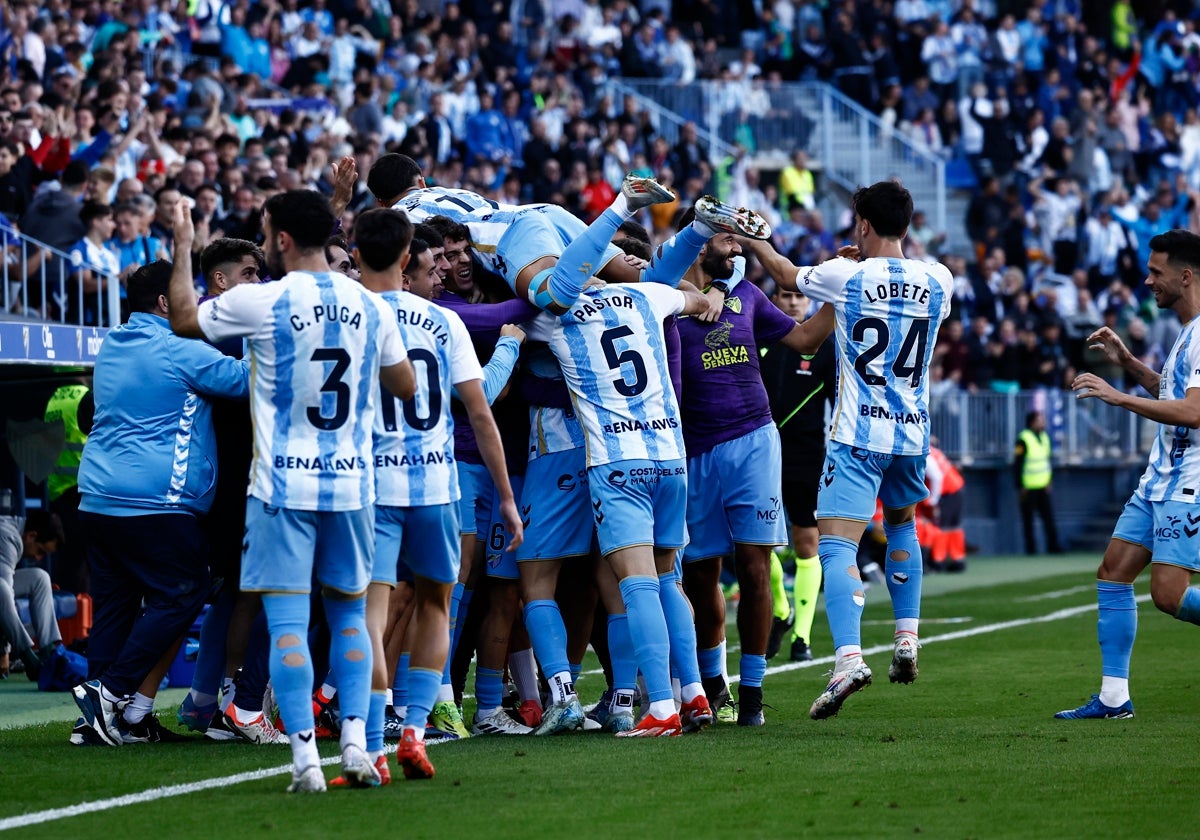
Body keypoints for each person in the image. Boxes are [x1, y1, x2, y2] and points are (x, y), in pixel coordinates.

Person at [165, 191, 416, 792]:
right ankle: (356, 744)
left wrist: (181, 244)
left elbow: (181, 318)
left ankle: (304, 758)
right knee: (352, 616)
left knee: (286, 624)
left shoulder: (261, 300)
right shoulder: (371, 304)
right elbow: (406, 385)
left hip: (281, 485)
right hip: (352, 486)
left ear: (279, 240)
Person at [748, 180, 954, 720]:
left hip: (857, 432)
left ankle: (847, 659)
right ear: (907, 225)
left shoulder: (847, 275)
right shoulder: (940, 278)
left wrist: (756, 242)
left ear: (862, 223)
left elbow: (788, 277)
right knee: (903, 525)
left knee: (837, 542)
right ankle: (907, 637)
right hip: (911, 433)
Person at [347, 209, 522, 779]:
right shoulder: (444, 321)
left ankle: (372, 739)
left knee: (371, 614)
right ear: (407, 260)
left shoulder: (347, 316)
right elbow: (479, 411)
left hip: (369, 486)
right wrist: (505, 496)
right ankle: (416, 731)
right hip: (436, 487)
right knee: (435, 605)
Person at [70, 260, 251, 747]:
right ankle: (108, 691)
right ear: (166, 303)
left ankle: (101, 722)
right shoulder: (179, 350)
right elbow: (244, 379)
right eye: (185, 296)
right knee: (185, 593)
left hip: (96, 500)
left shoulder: (112, 345)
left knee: (115, 606)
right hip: (156, 503)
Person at [675, 221, 834, 726]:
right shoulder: (662, 296)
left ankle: (751, 693)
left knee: (754, 567)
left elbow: (807, 339)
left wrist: (841, 294)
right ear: (699, 243)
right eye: (728, 239)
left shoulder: (745, 293)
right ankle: (713, 681)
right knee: (702, 575)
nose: (737, 247)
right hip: (693, 450)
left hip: (753, 441)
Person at [1058, 229, 1200, 720]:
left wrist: (1118, 397)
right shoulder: (1186, 331)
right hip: (1160, 477)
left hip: (1190, 479)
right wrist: (1127, 362)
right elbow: (1171, 391)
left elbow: (1194, 411)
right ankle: (1115, 697)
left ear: (1185, 276)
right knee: (1113, 572)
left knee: (1169, 595)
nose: (1148, 280)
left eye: (1157, 272)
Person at [365, 153, 768, 317]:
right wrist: (715, 287)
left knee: (553, 297)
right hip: (543, 213)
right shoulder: (446, 190)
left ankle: (622, 205)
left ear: (382, 203)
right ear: (422, 179)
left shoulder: (399, 217)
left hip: (513, 236)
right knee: (649, 281)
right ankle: (700, 227)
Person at [759, 283, 836, 663]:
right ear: (774, 300)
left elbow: (839, 404)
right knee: (755, 542)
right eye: (785, 296)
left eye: (799, 297)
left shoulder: (824, 348)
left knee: (808, 543)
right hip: (759, 456)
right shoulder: (758, 340)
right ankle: (782, 608)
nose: (792, 302)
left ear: (808, 302)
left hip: (807, 457)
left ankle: (801, 637)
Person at [0, 510, 65, 681]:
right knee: (2, 588)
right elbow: (4, 595)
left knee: (40, 578)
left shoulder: (17, 528)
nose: (37, 557)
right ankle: (28, 658)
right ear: (31, 535)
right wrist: (3, 651)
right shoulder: (8, 536)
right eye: (40, 551)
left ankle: (48, 652)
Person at [1014, 410, 1062, 555]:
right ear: (1032, 422)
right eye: (1040, 420)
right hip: (1028, 487)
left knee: (1048, 518)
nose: (1043, 423)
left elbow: (1046, 462)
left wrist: (1049, 480)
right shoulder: (1023, 439)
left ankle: (1053, 547)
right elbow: (1018, 463)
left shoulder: (1045, 437)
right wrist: (1020, 485)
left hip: (1043, 485)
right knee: (1028, 520)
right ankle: (1031, 550)